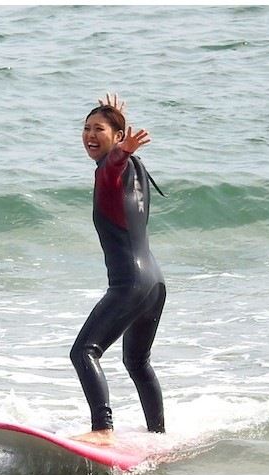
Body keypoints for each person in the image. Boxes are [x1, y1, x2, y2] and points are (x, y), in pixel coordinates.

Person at [69, 93, 166, 445]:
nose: (89, 135)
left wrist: (120, 149)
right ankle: (159, 435)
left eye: (99, 129)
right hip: (155, 284)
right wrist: (120, 133)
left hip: (130, 284)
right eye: (85, 128)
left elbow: (112, 165)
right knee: (137, 362)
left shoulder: (111, 169)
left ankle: (102, 429)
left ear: (116, 137)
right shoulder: (135, 168)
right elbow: (119, 159)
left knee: (83, 352)